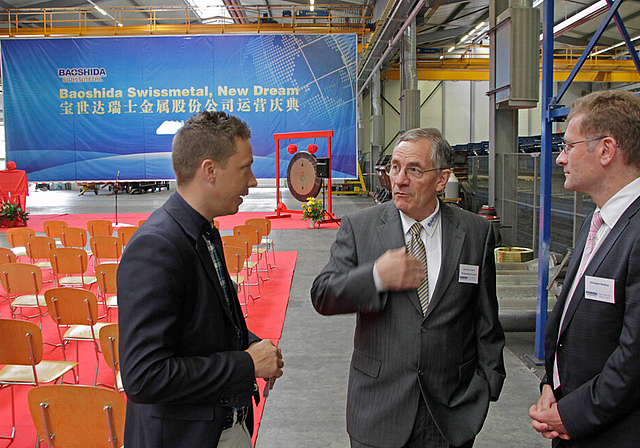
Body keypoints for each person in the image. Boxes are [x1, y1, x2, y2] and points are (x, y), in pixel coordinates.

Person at [311, 127, 506, 448]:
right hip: (378, 411)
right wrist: (375, 275)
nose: (399, 179)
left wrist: (486, 386)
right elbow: (322, 294)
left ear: (442, 180)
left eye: (413, 170)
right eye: (395, 167)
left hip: (451, 413)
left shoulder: (475, 232)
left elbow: (486, 319)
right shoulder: (361, 228)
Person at [118, 111, 284, 448]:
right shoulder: (157, 247)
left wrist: (248, 342)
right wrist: (245, 364)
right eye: (244, 168)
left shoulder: (203, 231)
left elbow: (200, 329)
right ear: (210, 171)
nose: (252, 181)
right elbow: (143, 377)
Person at [529, 90, 640, 447]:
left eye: (568, 147)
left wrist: (574, 412)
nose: (560, 158)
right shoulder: (598, 219)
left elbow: (634, 353)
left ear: (606, 150)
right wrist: (552, 385)